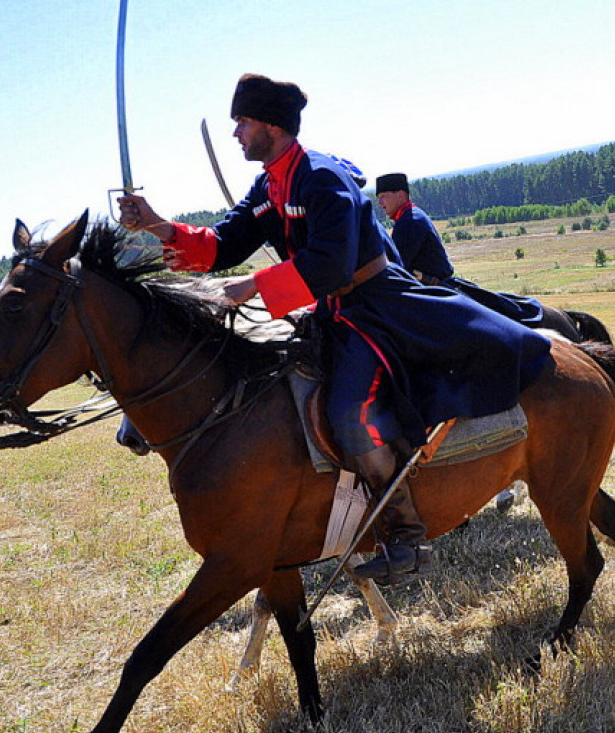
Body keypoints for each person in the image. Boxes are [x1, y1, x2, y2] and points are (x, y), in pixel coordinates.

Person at [118, 74, 552, 581]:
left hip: (375, 308)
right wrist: (157, 225)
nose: (236, 133)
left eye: (243, 122)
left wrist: (255, 286)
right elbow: (224, 242)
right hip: (328, 310)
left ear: (272, 126)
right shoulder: (270, 184)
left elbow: (333, 262)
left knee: (351, 413)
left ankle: (405, 535)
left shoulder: (322, 178)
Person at [375, 172, 545, 325]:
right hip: (437, 287)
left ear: (401, 195)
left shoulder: (409, 221)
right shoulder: (410, 216)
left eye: (384, 196)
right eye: (378, 198)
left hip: (437, 291)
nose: (380, 203)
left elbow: (397, 267)